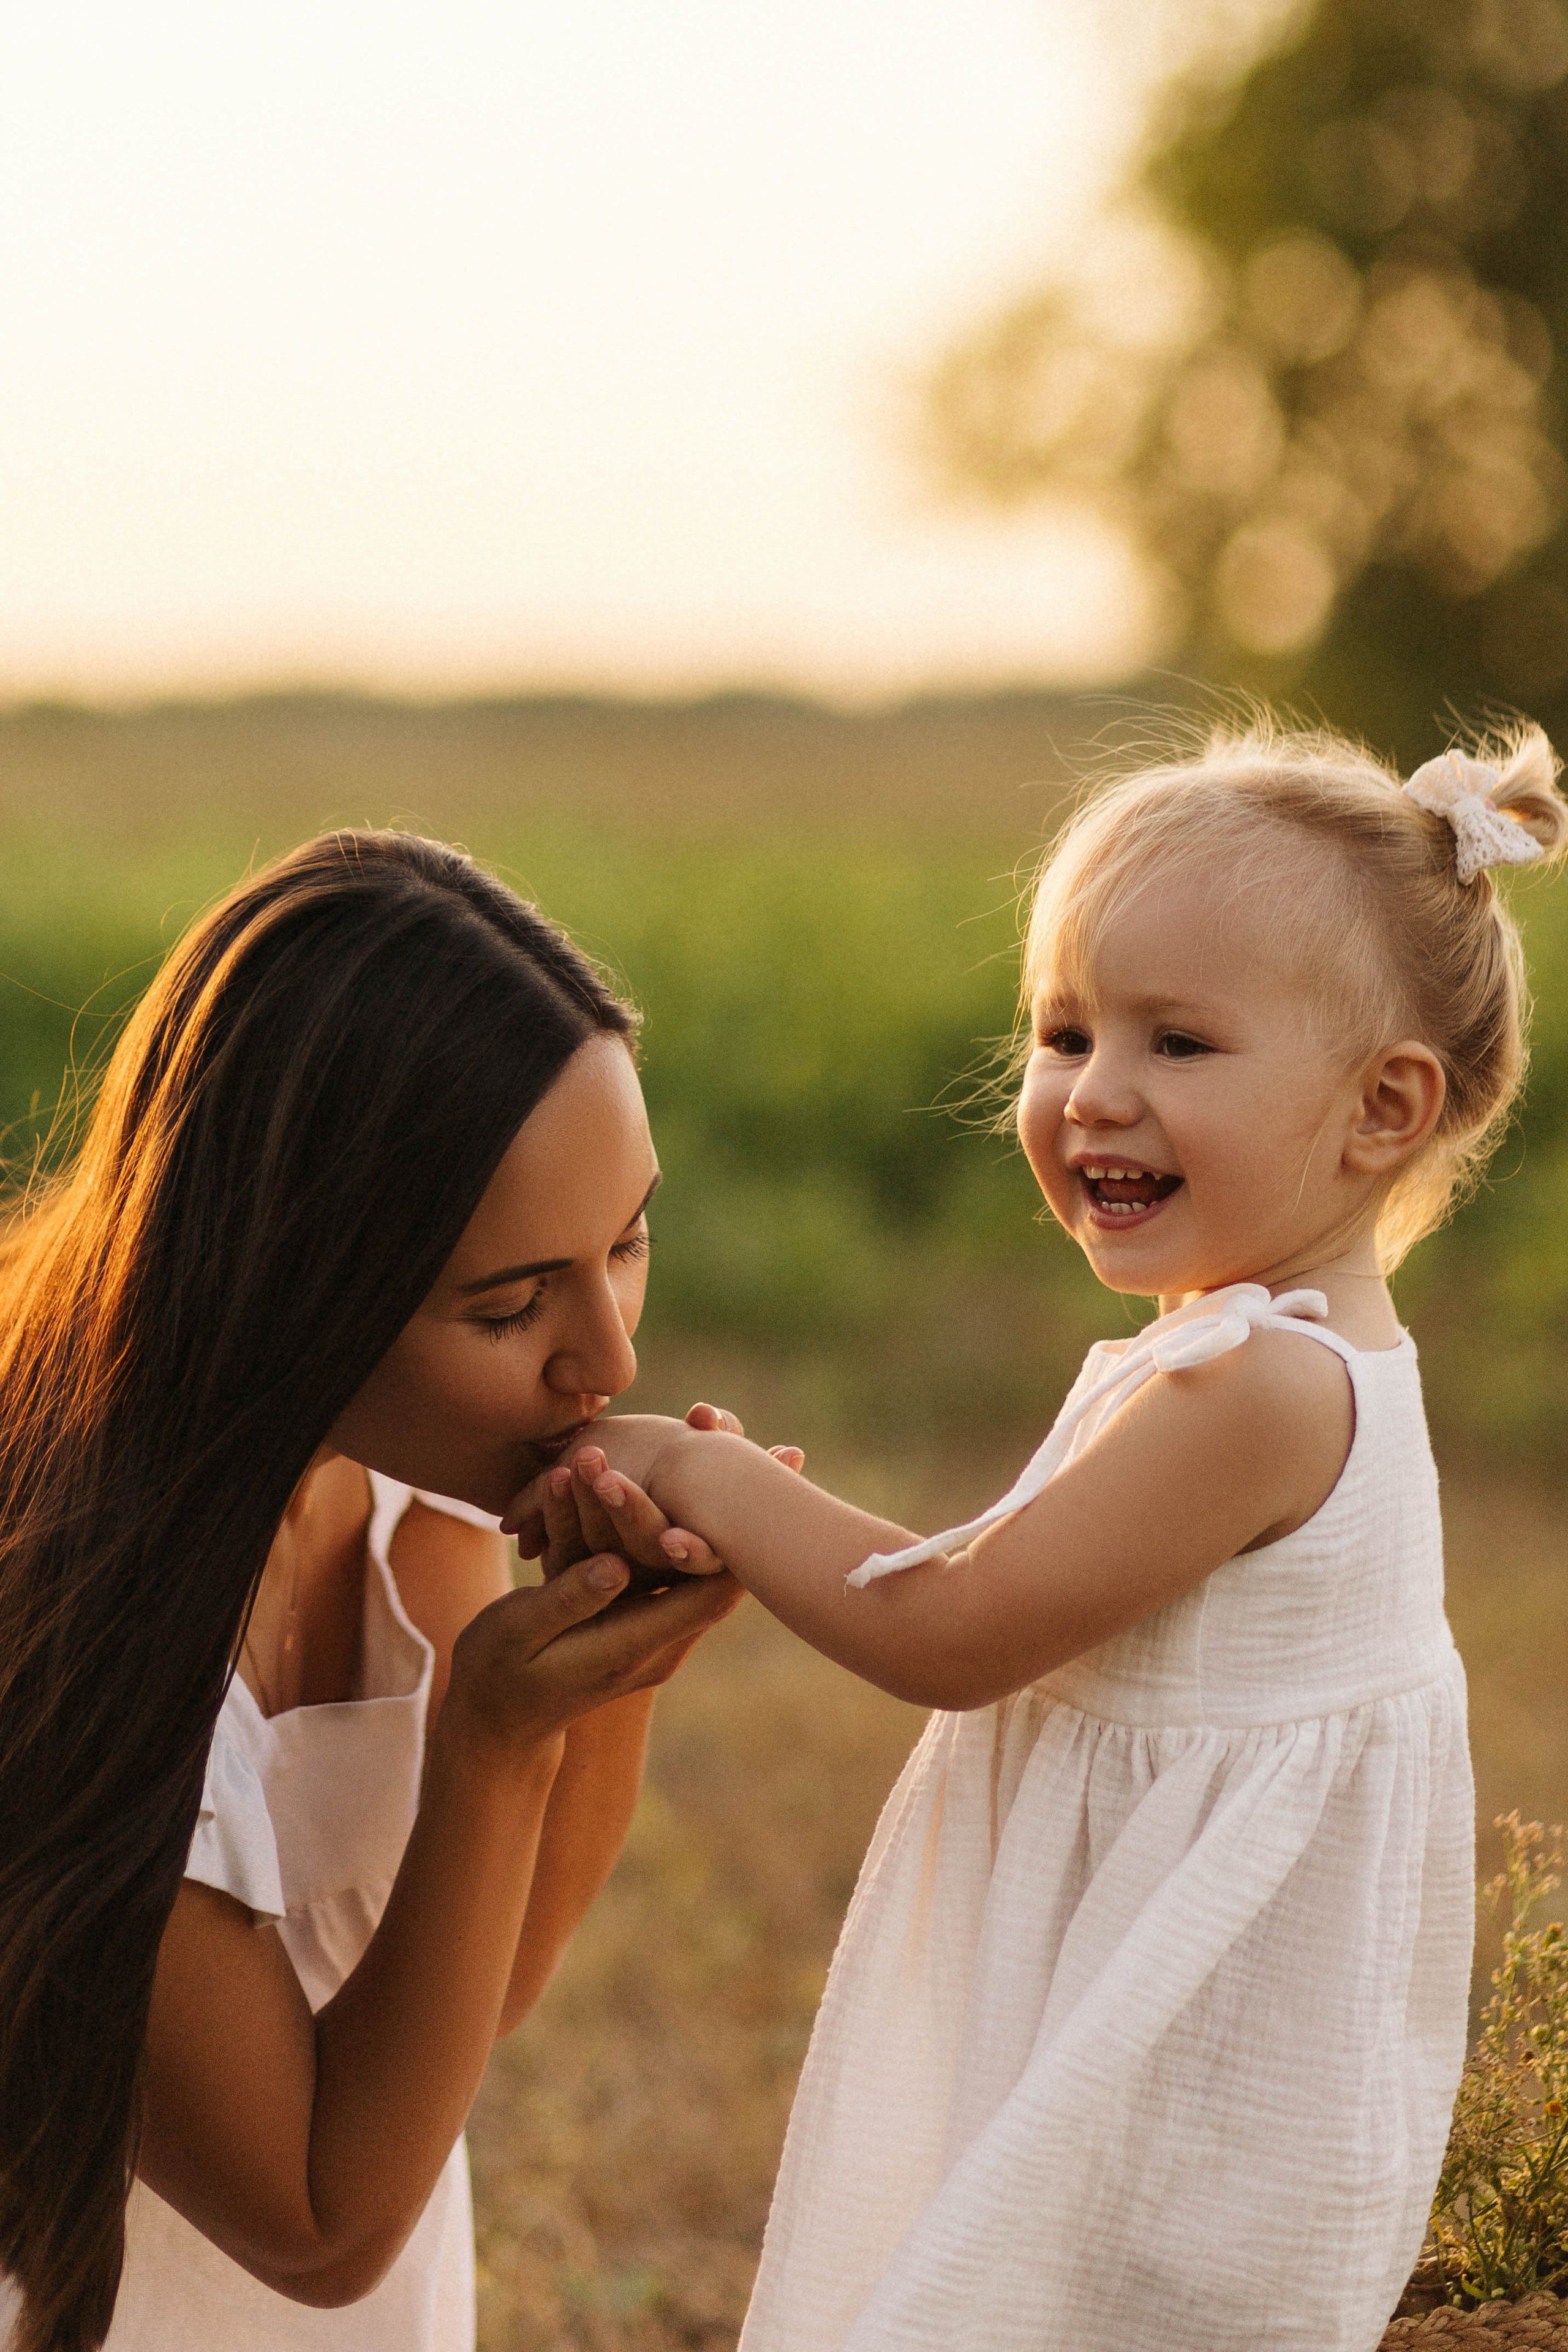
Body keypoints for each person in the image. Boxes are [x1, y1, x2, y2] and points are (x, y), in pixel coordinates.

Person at [515, 723, 1568, 2351]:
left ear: (1383, 1108)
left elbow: (957, 1629)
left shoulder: (1267, 1390)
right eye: (1064, 1032)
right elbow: (1012, 1589)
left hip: (1177, 2110)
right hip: (1133, 2028)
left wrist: (712, 1483)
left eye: (1180, 1043)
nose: (1095, 1094)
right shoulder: (1253, 1353)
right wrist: (756, 1504)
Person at [0, 830, 748, 2352]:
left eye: (626, 1242)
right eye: (507, 1302)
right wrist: (489, 1739)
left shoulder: (415, 1504)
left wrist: (603, 1676)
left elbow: (474, 2010)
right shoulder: (60, 1601)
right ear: (293, 1280)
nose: (603, 1360)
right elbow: (315, 2223)